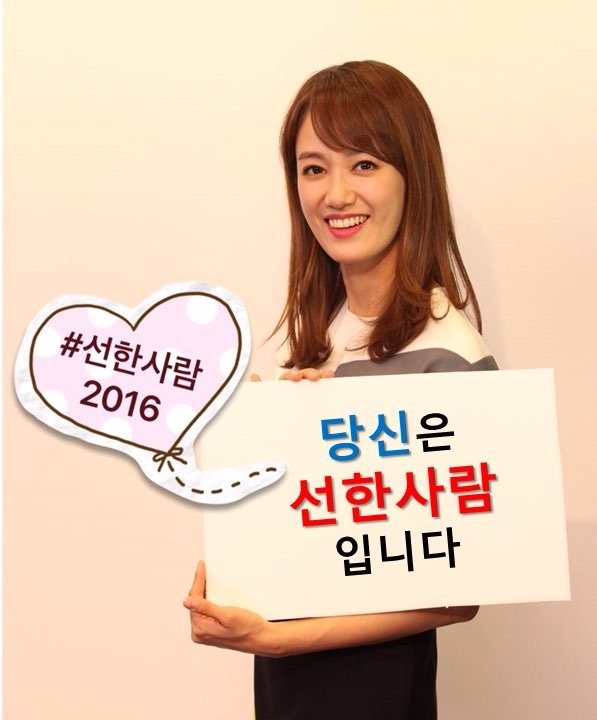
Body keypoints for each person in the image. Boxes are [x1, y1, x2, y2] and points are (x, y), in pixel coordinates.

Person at [183, 60, 497, 719]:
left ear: (413, 177)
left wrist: (274, 638)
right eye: (313, 168)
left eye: (364, 164)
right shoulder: (327, 332)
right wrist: (263, 440)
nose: (335, 194)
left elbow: (459, 595)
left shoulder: (448, 352)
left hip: (372, 695)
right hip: (291, 691)